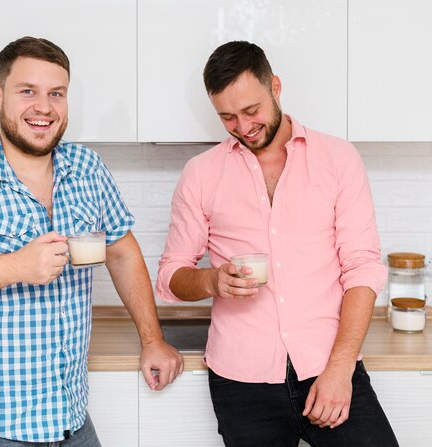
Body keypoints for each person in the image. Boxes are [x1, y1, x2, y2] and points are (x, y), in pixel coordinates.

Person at [0, 36, 183, 446]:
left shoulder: (87, 169)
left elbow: (121, 251)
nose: (43, 107)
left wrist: (153, 340)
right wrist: (16, 266)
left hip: (71, 420)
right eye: (27, 91)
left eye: (56, 93)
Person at [155, 41, 398, 447]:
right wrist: (212, 281)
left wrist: (340, 370)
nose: (243, 126)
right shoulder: (201, 174)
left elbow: (362, 268)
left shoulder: (338, 159)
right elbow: (170, 275)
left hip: (329, 366)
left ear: (276, 87)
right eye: (228, 117)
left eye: (252, 111)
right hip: (241, 381)